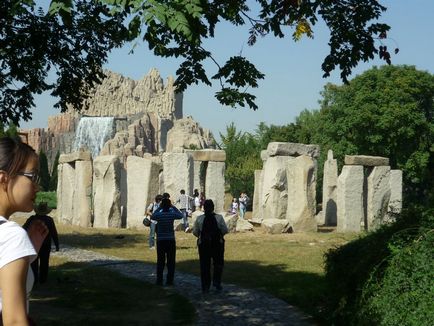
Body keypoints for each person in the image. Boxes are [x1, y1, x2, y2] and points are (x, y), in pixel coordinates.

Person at [0, 136, 48, 325]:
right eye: (32, 176)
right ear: (4, 178)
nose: (37, 186)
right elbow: (14, 321)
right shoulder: (12, 236)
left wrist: (26, 256)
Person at [193, 199, 228, 294]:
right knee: (218, 264)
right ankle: (217, 282)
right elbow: (225, 230)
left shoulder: (199, 218)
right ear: (213, 208)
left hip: (204, 244)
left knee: (204, 265)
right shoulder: (219, 218)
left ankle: (205, 286)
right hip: (217, 244)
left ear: (204, 208)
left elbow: (195, 232)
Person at [23, 202, 59, 284]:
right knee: (44, 263)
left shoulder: (32, 219)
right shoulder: (49, 220)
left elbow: (23, 229)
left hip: (34, 244)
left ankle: (34, 280)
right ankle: (43, 280)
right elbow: (54, 233)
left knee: (33, 263)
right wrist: (57, 244)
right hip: (46, 245)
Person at [151, 198, 183, 286]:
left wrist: (159, 207)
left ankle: (159, 280)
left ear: (162, 205)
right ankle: (169, 280)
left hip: (161, 240)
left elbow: (152, 216)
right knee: (171, 261)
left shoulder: (159, 215)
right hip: (170, 240)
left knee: (160, 261)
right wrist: (173, 206)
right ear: (169, 205)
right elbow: (181, 215)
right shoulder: (171, 214)